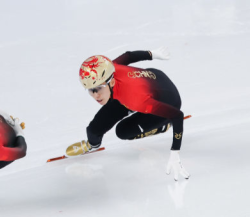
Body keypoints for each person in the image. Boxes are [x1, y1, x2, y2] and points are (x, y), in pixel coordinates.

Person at [67, 48, 190, 180]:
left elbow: (177, 115)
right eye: (91, 90)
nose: (95, 95)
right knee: (93, 130)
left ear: (111, 82)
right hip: (148, 81)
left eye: (98, 88)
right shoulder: (110, 68)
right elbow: (129, 56)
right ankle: (93, 144)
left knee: (123, 132)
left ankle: (162, 126)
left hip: (168, 100)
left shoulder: (137, 99)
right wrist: (152, 54)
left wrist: (175, 152)